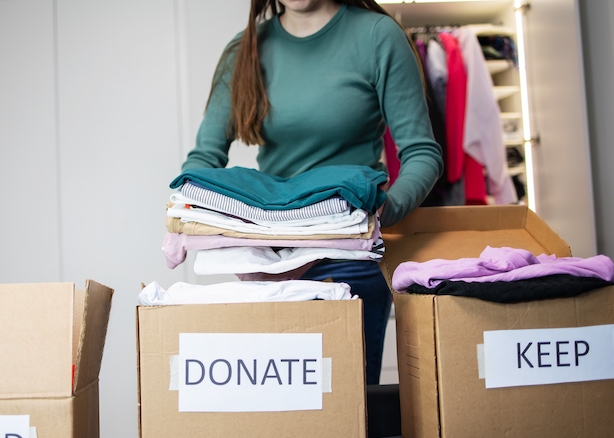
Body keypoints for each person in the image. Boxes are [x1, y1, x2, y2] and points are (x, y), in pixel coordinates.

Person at [181, 0, 443, 384]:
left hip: (347, 252)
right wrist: (190, 213)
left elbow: (422, 152)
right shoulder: (246, 48)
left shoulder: (376, 36)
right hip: (269, 259)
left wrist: (384, 210)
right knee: (280, 407)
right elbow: (203, 160)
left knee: (344, 406)